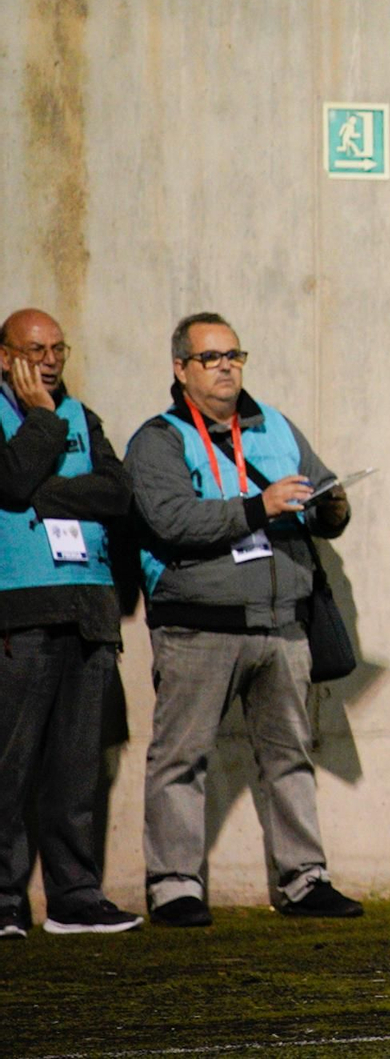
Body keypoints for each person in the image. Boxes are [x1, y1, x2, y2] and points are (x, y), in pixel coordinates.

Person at [123, 311, 362, 926]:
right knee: (181, 758)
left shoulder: (275, 426)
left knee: (290, 756)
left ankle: (304, 879)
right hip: (198, 626)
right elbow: (171, 521)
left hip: (282, 624)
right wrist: (260, 506)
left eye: (234, 354)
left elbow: (321, 489)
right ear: (180, 369)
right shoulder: (158, 440)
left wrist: (331, 510)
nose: (226, 365)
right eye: (210, 357)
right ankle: (175, 885)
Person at [0, 308, 143, 937]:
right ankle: (5, 900)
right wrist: (41, 424)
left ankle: (74, 896)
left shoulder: (83, 416)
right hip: (22, 611)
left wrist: (47, 493)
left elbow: (118, 494)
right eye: (35, 350)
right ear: (5, 356)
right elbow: (7, 481)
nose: (51, 360)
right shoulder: (39, 419)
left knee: (77, 765)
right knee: (10, 764)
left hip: (90, 605)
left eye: (59, 347)